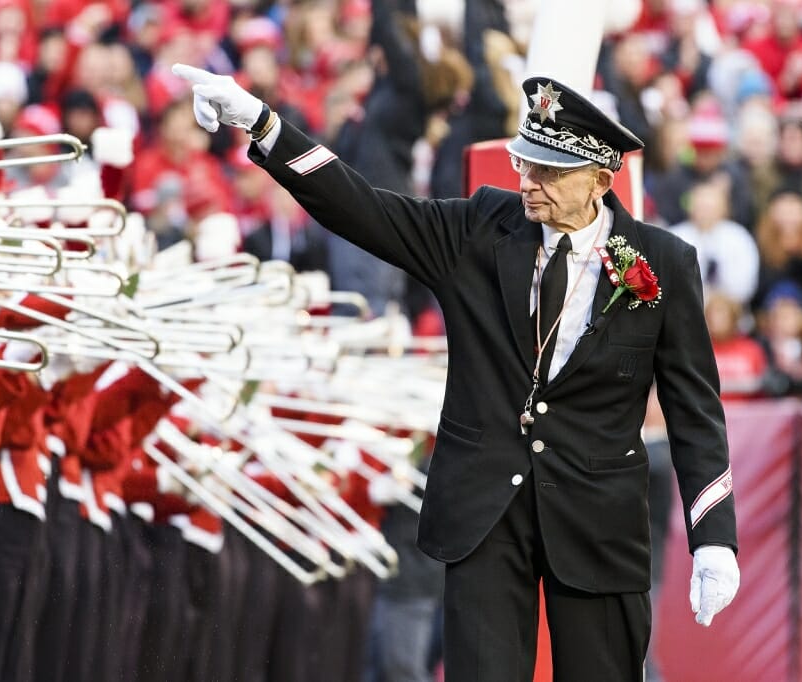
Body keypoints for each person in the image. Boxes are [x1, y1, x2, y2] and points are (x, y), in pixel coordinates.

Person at [172, 64, 741, 681]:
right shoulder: (480, 227)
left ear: (601, 180)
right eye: (526, 161)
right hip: (483, 515)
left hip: (599, 521)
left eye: (550, 171)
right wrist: (263, 124)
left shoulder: (664, 263)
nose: (528, 181)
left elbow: (694, 411)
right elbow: (362, 208)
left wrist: (713, 535)